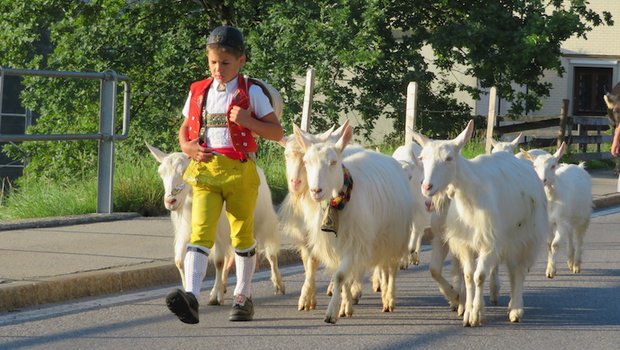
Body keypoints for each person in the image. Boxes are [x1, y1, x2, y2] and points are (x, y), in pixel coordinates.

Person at [165, 25, 283, 324]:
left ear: (241, 61)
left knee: (242, 234)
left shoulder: (251, 91)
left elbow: (275, 131)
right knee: (199, 232)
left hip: (240, 172)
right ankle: (191, 297)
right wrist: (187, 146)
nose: (218, 68)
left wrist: (248, 121)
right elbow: (185, 127)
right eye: (213, 62)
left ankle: (243, 296)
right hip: (205, 172)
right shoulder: (198, 90)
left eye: (225, 63)